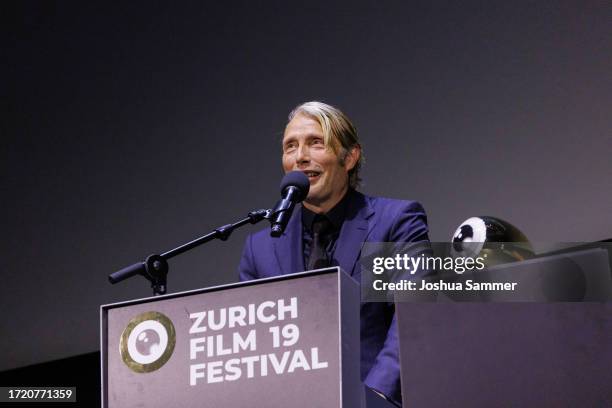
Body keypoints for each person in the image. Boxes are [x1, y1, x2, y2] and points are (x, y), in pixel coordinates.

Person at [238, 101, 429, 406]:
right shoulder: (259, 248)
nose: (300, 157)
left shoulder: (393, 222)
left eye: (316, 143)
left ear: (350, 157)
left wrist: (373, 397)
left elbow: (414, 315)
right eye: (290, 147)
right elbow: (250, 350)